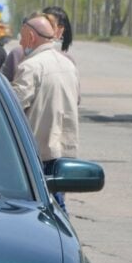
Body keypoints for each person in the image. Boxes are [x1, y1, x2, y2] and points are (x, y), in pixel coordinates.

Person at [10, 13, 80, 212]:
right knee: (58, 208)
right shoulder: (68, 65)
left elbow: (12, 107)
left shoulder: (31, 66)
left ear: (31, 37)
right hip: (63, 152)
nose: (21, 44)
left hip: (38, 155)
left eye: (22, 38)